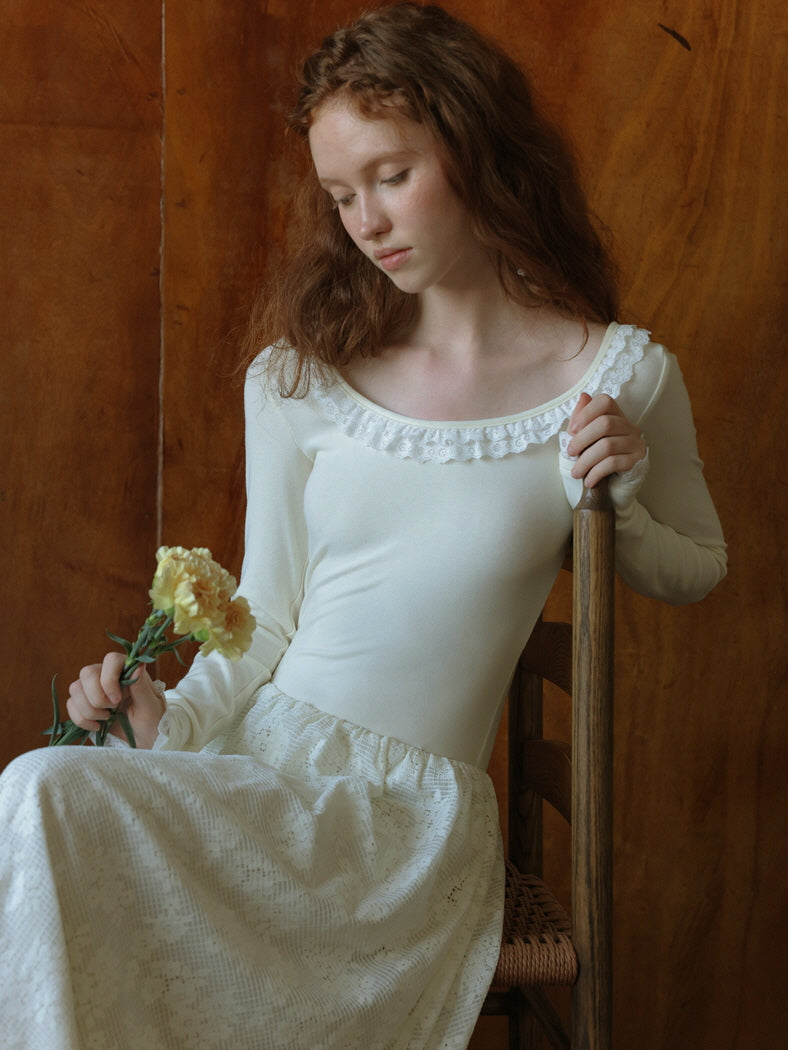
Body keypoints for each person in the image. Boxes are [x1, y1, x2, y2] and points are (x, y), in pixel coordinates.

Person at [0, 4, 726, 1048]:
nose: (367, 222)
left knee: (43, 798)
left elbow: (697, 566)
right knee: (43, 791)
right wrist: (173, 725)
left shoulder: (614, 378)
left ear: (476, 149)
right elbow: (268, 614)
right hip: (258, 772)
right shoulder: (301, 377)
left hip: (399, 829)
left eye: (391, 176)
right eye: (342, 194)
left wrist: (615, 496)